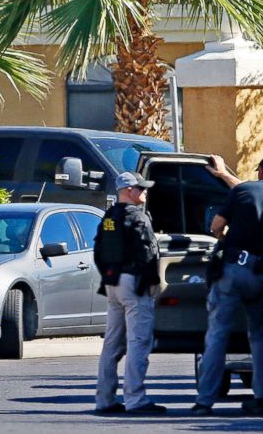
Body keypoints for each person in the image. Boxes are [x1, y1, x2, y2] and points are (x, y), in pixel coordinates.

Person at [192, 154, 263, 416]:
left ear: (260, 171)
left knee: (217, 336)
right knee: (260, 336)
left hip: (233, 270)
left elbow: (216, 225)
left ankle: (205, 401)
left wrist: (224, 239)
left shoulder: (244, 191)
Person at [94, 172, 166, 415]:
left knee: (112, 344)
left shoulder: (109, 217)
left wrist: (109, 275)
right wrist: (152, 281)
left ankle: (104, 400)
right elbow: (148, 253)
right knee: (138, 342)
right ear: (128, 190)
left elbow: (98, 251)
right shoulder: (138, 217)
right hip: (134, 284)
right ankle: (136, 400)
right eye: (140, 188)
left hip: (112, 283)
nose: (145, 192)